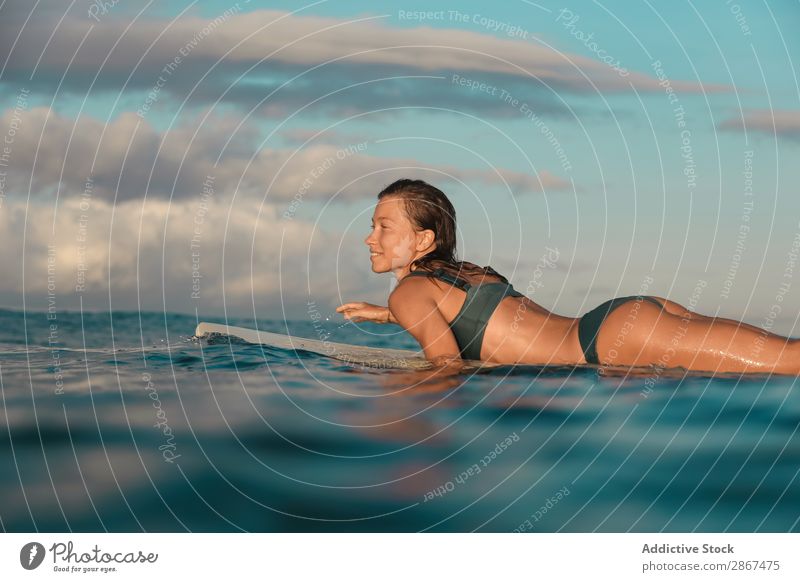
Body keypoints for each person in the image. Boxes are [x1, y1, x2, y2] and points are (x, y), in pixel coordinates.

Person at [337, 179, 799, 375]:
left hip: (608, 344)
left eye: (384, 226)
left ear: (422, 241)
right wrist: (388, 315)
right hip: (620, 322)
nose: (370, 238)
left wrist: (384, 383)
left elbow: (447, 369)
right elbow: (473, 320)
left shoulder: (412, 294)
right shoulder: (458, 276)